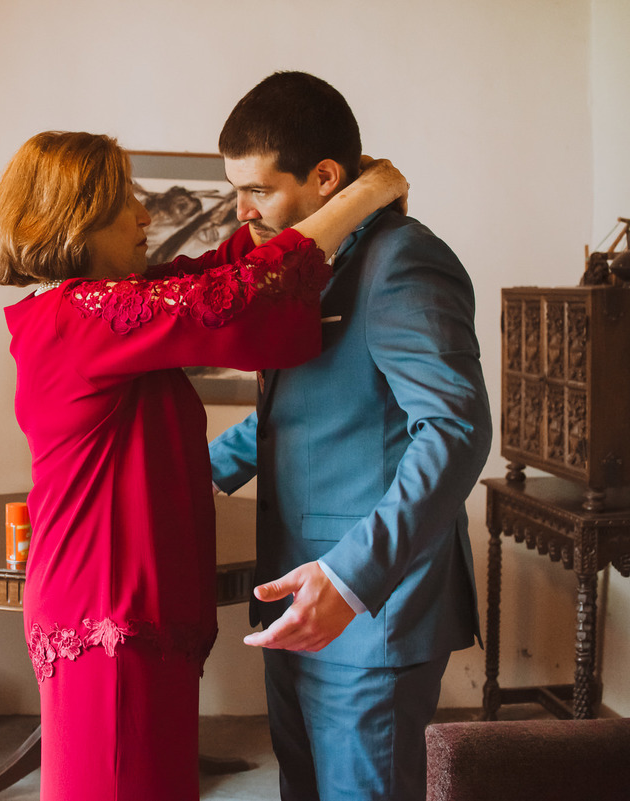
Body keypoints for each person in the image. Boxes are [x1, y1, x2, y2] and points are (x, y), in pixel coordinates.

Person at [0, 130, 407, 800]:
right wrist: (369, 193)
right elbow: (234, 296)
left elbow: (216, 274)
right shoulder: (80, 316)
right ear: (76, 218)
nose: (145, 217)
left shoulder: (104, 306)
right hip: (107, 612)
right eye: (127, 202)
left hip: (129, 605)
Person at [208, 71, 492, 801]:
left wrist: (351, 576)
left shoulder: (403, 260)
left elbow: (454, 430)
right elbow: (302, 407)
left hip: (370, 612)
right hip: (291, 596)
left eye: (258, 190)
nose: (241, 211)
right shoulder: (307, 261)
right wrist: (192, 465)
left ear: (326, 177)